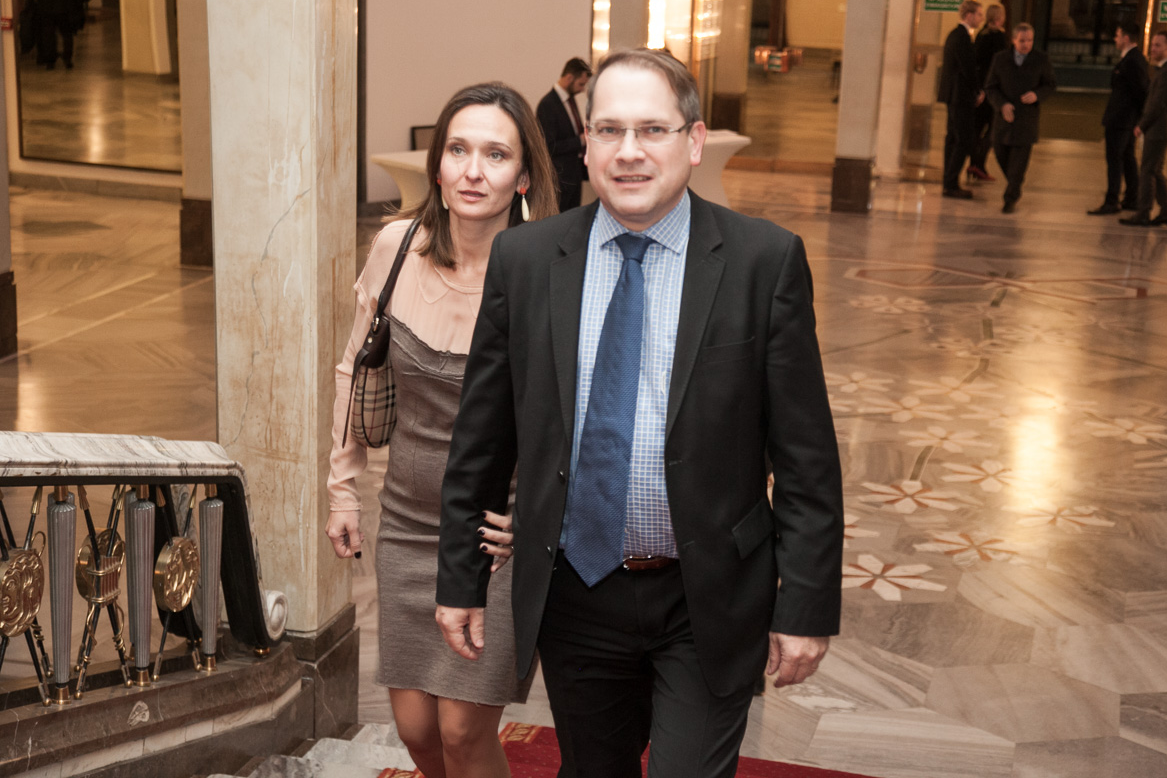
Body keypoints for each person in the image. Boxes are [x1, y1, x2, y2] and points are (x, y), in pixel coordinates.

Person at [435, 48, 844, 778]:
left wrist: (806, 605)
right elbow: (482, 439)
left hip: (708, 593)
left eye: (652, 130)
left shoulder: (763, 261)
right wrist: (460, 579)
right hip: (575, 593)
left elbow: (806, 458)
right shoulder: (527, 260)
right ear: (585, 143)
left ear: (694, 140)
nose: (629, 152)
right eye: (610, 130)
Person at [325, 82, 557, 778]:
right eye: (458, 149)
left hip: (494, 537)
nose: (473, 171)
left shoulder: (547, 272)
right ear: (436, 165)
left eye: (496, 154)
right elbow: (354, 367)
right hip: (405, 522)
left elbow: (577, 419)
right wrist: (342, 489)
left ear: (523, 176)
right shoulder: (397, 247)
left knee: (461, 730)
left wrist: (536, 519)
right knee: (417, 730)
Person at [985, 23, 1056, 214]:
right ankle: (1014, 184)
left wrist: (1037, 95)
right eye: (1022, 41)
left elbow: (1050, 84)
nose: (1026, 44)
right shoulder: (1000, 59)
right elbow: (991, 87)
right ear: (1013, 40)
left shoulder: (1041, 59)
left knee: (1018, 165)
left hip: (1026, 119)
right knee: (1001, 155)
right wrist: (1002, 104)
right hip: (1003, 120)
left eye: (1030, 40)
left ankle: (1010, 197)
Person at [1121, 30, 1167, 227]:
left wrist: (1142, 125)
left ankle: (1143, 212)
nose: (1152, 49)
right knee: (1155, 170)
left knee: (1147, 170)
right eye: (1153, 44)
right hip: (1160, 128)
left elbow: (1158, 104)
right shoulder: (1165, 70)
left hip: (1158, 129)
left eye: (1157, 45)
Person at [1089, 23, 1149, 215]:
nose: (1115, 39)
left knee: (1115, 159)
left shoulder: (1133, 61)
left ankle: (1112, 200)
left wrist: (1136, 118)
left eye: (1117, 35)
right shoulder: (1130, 59)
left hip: (1122, 119)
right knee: (1127, 157)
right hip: (1125, 119)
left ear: (1126, 38)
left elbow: (1140, 91)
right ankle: (1132, 197)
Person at [939, 0, 985, 199]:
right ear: (969, 15)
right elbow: (968, 69)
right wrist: (978, 90)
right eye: (979, 14)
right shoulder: (962, 38)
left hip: (953, 94)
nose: (981, 18)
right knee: (964, 140)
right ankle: (951, 183)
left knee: (952, 138)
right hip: (960, 96)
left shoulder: (954, 35)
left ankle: (948, 182)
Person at [537, 57, 592, 212]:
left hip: (574, 174)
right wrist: (580, 141)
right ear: (569, 78)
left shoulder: (570, 101)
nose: (582, 89)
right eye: (580, 84)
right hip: (559, 177)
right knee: (559, 218)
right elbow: (548, 146)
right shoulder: (547, 105)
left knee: (573, 217)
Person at [968, 4, 1008, 183]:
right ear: (999, 17)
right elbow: (1001, 65)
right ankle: (979, 164)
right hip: (992, 88)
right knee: (993, 128)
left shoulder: (981, 35)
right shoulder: (998, 37)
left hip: (980, 88)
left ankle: (972, 163)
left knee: (977, 128)